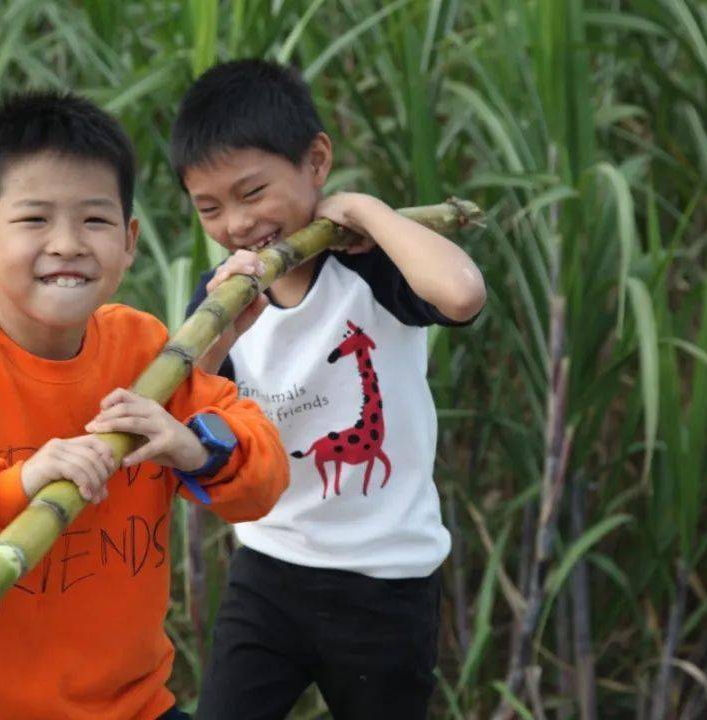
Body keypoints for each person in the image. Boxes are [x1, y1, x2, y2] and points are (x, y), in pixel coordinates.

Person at [0, 90, 288, 720]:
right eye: (34, 220)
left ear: (129, 241)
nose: (66, 243)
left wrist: (193, 446)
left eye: (94, 220)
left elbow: (261, 479)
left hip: (132, 705)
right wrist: (19, 483)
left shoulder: (145, 350)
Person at [172, 59, 486, 719]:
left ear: (316, 161)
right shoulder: (223, 297)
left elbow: (460, 295)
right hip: (268, 571)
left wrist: (363, 210)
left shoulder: (372, 269)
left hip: (386, 584)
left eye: (252, 193)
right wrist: (229, 321)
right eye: (211, 208)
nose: (236, 222)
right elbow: (188, 406)